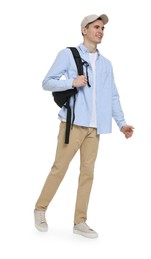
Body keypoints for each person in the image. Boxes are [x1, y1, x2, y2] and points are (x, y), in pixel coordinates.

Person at [34, 13, 134, 239]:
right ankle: (40, 209)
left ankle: (80, 221)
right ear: (84, 30)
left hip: (94, 129)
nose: (100, 31)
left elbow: (113, 96)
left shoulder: (107, 64)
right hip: (72, 124)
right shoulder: (68, 55)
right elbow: (47, 82)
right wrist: (71, 82)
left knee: (87, 173)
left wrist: (121, 123)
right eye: (96, 27)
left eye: (103, 28)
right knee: (59, 168)